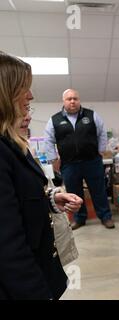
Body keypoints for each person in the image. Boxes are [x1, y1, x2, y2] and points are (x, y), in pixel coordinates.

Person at [0, 52, 82, 299]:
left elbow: (17, 198)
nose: (31, 95)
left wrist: (49, 199)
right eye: (23, 88)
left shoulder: (12, 143)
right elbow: (8, 245)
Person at [44, 89, 115, 230]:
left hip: (92, 161)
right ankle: (79, 218)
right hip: (69, 164)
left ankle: (105, 217)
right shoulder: (54, 120)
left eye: (75, 98)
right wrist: (53, 159)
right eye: (69, 99)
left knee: (98, 190)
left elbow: (102, 133)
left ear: (79, 100)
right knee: (73, 193)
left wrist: (100, 151)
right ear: (63, 101)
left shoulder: (92, 115)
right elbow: (48, 140)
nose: (72, 101)